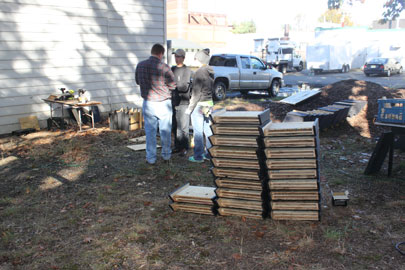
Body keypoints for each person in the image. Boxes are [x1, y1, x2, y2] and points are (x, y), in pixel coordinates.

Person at [135, 43, 176, 165]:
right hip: (163, 103)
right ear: (161, 54)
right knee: (165, 131)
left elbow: (138, 81)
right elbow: (173, 85)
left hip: (148, 103)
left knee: (150, 132)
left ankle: (151, 158)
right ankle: (166, 156)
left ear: (152, 52)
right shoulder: (165, 67)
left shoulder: (140, 65)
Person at [185, 49, 214, 163]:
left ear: (200, 59)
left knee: (197, 132)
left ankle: (198, 156)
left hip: (199, 105)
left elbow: (196, 93)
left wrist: (189, 109)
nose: (194, 60)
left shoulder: (199, 72)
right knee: (208, 130)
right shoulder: (210, 71)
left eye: (195, 58)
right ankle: (209, 154)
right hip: (209, 104)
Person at [171, 49, 193, 157]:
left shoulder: (187, 70)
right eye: (175, 56)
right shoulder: (172, 69)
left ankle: (184, 147)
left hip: (184, 102)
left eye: (178, 56)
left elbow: (184, 87)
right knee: (175, 126)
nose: (176, 58)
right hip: (174, 101)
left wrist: (173, 85)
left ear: (183, 58)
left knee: (183, 126)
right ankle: (177, 146)